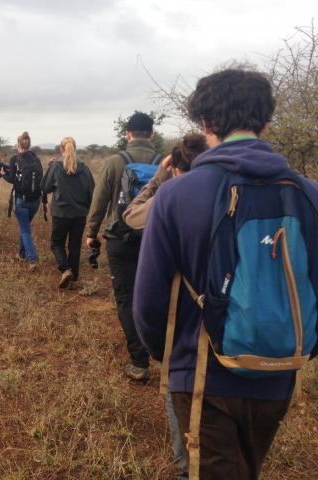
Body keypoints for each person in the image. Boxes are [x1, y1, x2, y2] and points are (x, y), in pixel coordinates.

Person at [134, 67, 318, 480]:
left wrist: (169, 358)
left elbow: (147, 301)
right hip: (279, 374)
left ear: (206, 123)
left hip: (201, 377)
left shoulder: (176, 195)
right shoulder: (309, 193)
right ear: (267, 121)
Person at [122, 133, 208, 480]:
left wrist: (158, 178)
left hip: (187, 337)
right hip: (249, 340)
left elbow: (131, 214)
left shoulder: (172, 198)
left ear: (175, 167)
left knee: (189, 457)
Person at [85, 111, 162, 381]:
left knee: (127, 298)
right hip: (157, 240)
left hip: (120, 239)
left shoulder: (113, 162)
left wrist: (92, 233)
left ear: (127, 134)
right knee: (159, 296)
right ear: (152, 135)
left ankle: (139, 363)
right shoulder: (166, 163)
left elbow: (100, 202)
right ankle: (165, 356)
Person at [41, 137, 95, 288]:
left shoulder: (56, 166)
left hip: (61, 213)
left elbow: (45, 188)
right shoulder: (84, 168)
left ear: (61, 150)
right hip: (79, 214)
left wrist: (50, 166)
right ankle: (74, 277)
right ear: (75, 148)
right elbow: (92, 191)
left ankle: (65, 269)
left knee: (56, 243)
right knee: (75, 245)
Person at [2, 131, 47, 270]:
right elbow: (42, 182)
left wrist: (3, 174)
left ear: (19, 145)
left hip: (21, 200)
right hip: (35, 200)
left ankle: (33, 259)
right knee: (25, 227)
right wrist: (45, 201)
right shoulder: (36, 159)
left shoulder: (15, 159)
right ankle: (21, 254)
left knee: (25, 230)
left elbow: (11, 179)